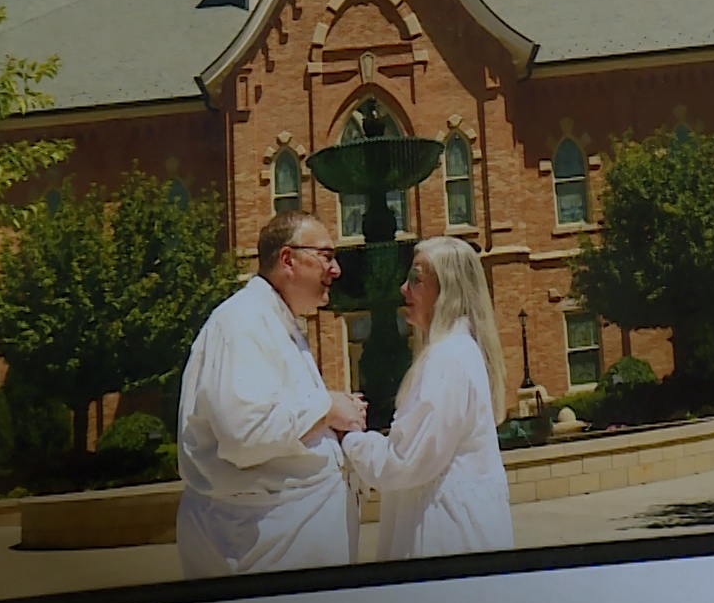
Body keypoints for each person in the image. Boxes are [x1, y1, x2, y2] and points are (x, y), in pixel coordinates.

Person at [176, 211, 369, 578]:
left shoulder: (278, 322)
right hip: (261, 554)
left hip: (286, 551)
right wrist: (327, 410)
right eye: (326, 256)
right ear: (287, 260)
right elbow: (244, 434)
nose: (336, 270)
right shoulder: (242, 322)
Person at [341, 236, 514, 560]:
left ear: (447, 290)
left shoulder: (447, 360)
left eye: (415, 280)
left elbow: (404, 461)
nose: (404, 290)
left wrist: (349, 438)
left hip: (443, 539)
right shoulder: (459, 353)